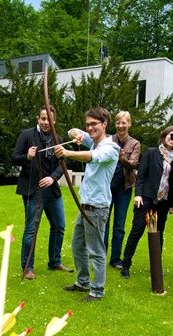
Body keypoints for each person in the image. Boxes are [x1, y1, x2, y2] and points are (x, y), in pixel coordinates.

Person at [54, 107, 119, 302]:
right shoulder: (93, 141)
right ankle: (83, 282)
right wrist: (76, 135)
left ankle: (97, 291)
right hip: (85, 206)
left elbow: (92, 157)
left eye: (94, 124)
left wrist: (66, 153)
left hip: (97, 208)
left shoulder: (110, 148)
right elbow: (72, 131)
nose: (90, 128)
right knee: (77, 245)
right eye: (88, 124)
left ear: (105, 124)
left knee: (96, 251)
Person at [12, 106, 72, 280]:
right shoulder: (26, 135)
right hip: (33, 190)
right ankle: (27, 267)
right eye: (43, 119)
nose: (46, 122)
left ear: (54, 121)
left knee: (59, 226)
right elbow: (14, 157)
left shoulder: (58, 139)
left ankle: (55, 261)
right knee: (31, 229)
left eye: (49, 119)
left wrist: (53, 178)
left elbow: (62, 165)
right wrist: (27, 157)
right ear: (38, 119)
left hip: (51, 190)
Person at [120, 126, 173, 279]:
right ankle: (125, 265)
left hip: (161, 203)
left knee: (157, 234)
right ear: (164, 136)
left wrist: (172, 203)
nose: (171, 138)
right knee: (137, 231)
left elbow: (172, 182)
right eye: (169, 135)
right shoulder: (152, 153)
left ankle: (156, 266)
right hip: (146, 200)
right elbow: (141, 175)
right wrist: (138, 195)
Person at [104, 111, 140, 269]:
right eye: (118, 122)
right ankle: (101, 256)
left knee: (119, 224)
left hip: (124, 188)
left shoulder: (135, 144)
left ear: (129, 124)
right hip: (107, 187)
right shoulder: (108, 140)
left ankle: (116, 259)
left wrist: (120, 156)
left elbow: (133, 164)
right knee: (103, 222)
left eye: (124, 123)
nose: (120, 126)